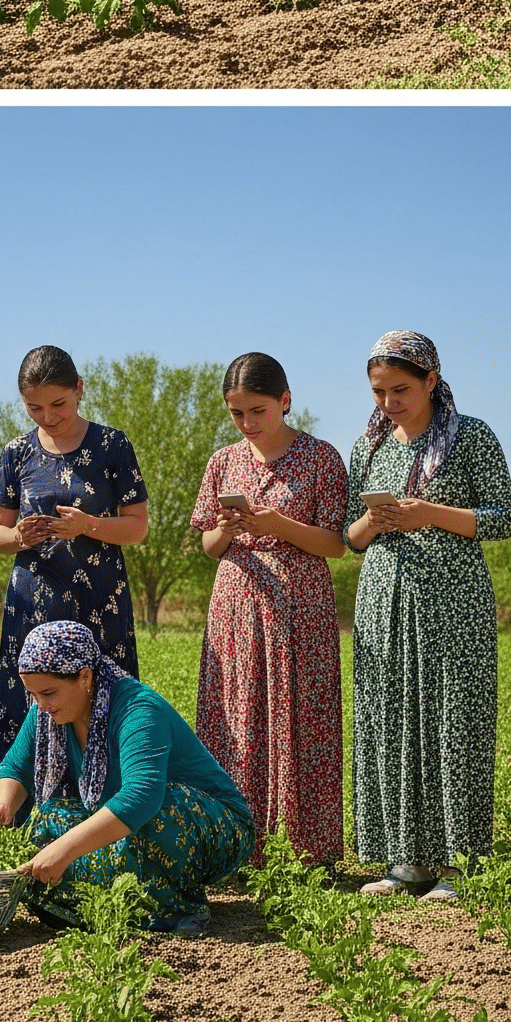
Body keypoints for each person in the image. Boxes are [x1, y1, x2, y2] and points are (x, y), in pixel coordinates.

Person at [342, 330, 511, 900]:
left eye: (400, 390)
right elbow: (350, 534)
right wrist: (378, 522)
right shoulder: (368, 447)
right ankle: (404, 861)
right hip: (382, 601)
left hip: (454, 604)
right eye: (379, 391)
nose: (388, 402)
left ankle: (456, 866)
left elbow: (502, 518)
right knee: (389, 723)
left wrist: (430, 514)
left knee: (453, 722)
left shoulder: (472, 437)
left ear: (432, 381)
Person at [0, 619, 253, 936]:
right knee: (46, 820)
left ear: (85, 677)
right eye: (33, 695)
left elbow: (142, 796)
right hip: (138, 826)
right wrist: (4, 804)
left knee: (157, 810)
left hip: (210, 826)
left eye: (48, 693)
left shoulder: (137, 709)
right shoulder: (48, 712)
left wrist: (65, 849)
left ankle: (180, 910)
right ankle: (117, 905)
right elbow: (16, 767)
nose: (41, 705)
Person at [190, 352, 348, 864]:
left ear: (285, 400)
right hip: (235, 604)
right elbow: (208, 544)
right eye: (237, 413)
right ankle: (236, 843)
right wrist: (229, 529)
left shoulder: (321, 457)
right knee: (236, 719)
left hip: (300, 606)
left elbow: (336, 544)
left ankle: (306, 848)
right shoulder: (222, 460)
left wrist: (276, 525)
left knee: (303, 719)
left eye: (258, 410)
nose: (247, 423)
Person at [0, 346, 149, 772]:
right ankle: (24, 805)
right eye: (33, 407)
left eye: (58, 403)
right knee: (34, 699)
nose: (47, 416)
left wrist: (88, 526)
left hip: (100, 601)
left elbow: (137, 527)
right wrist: (18, 535)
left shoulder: (112, 444)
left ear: (79, 389)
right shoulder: (16, 452)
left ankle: (108, 803)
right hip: (33, 603)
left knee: (100, 697)